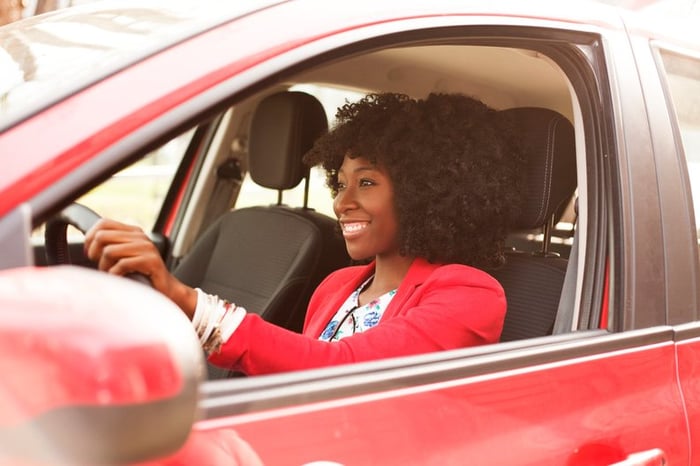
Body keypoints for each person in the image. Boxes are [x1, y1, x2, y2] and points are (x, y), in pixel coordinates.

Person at [84, 92, 524, 376]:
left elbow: (340, 370)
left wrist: (187, 301)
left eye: (366, 182)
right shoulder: (336, 286)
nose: (341, 202)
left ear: (427, 193)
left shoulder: (471, 294)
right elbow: (296, 384)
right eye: (342, 182)